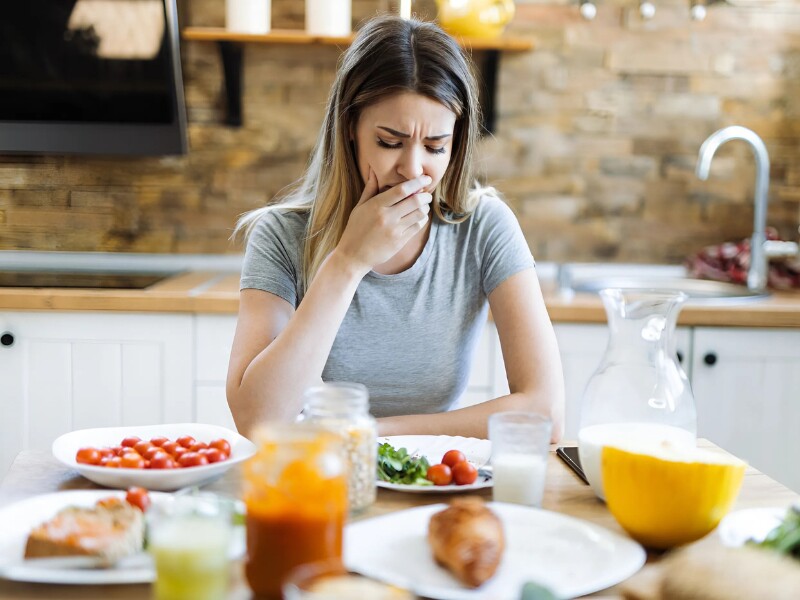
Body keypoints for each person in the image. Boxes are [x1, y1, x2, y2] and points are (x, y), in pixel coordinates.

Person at [226, 15, 565, 441]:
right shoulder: (280, 235)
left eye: (436, 147)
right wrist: (348, 261)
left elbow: (547, 413)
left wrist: (368, 434)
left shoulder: (484, 228)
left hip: (433, 482)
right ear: (350, 128)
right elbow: (258, 420)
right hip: (316, 481)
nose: (412, 169)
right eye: (390, 142)